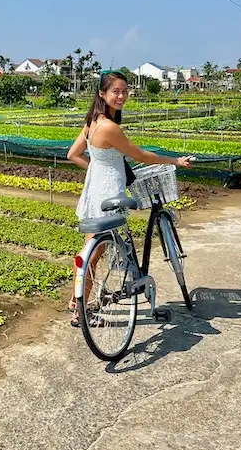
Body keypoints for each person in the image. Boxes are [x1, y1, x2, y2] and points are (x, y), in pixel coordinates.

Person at [66, 70, 192, 326]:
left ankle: (74, 302)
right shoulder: (109, 127)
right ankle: (80, 312)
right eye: (116, 91)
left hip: (94, 191)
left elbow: (73, 154)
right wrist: (174, 160)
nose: (122, 96)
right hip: (110, 193)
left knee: (92, 250)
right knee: (95, 252)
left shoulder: (92, 122)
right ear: (102, 94)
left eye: (125, 91)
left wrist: (97, 170)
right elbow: (141, 155)